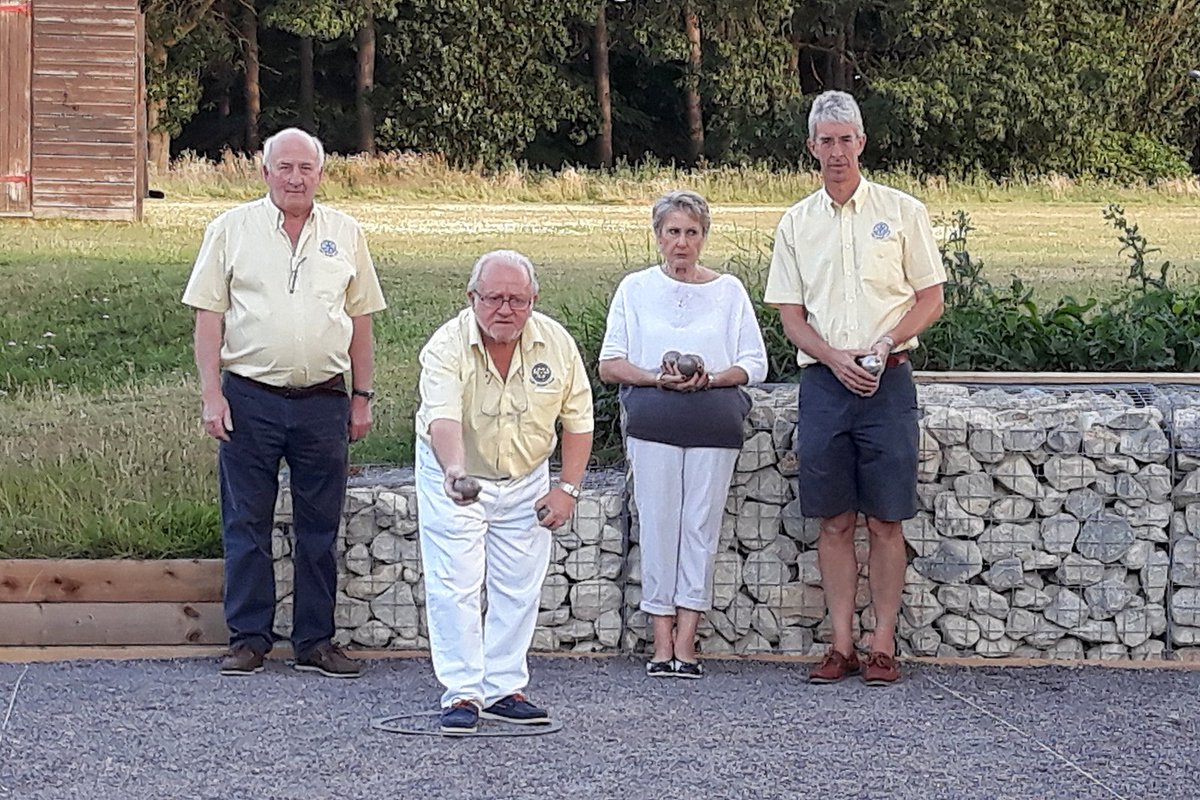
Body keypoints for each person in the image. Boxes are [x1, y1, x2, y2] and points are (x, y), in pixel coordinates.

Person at [183, 128, 386, 678]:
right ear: (264, 170)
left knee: (319, 529)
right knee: (245, 522)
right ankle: (249, 639)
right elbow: (208, 316)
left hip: (324, 401)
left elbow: (361, 320)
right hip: (249, 397)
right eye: (285, 167)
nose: (296, 178)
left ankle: (315, 643)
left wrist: (361, 397)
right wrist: (211, 395)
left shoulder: (345, 232)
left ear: (321, 174)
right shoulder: (230, 229)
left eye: (306, 168)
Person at [764, 91, 946, 686]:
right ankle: (840, 644)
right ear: (810, 147)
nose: (836, 151)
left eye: (846, 139)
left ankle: (883, 643)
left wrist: (888, 341)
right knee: (835, 520)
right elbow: (791, 317)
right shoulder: (796, 222)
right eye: (826, 140)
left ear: (861, 143)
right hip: (824, 383)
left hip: (888, 382)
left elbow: (931, 299)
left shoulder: (902, 211)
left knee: (887, 520)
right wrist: (835, 358)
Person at [415, 249, 594, 734]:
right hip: (455, 471)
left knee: (519, 584)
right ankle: (462, 693)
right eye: (494, 297)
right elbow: (442, 418)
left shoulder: (556, 344)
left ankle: (503, 688)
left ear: (534, 299)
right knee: (456, 583)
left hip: (526, 473)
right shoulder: (446, 345)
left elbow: (578, 421)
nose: (505, 309)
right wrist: (453, 471)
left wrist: (568, 490)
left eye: (517, 299)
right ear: (471, 298)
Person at [599, 190, 768, 679]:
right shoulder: (634, 289)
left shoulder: (729, 291)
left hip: (711, 420)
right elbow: (611, 364)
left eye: (691, 232)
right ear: (658, 237)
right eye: (672, 232)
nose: (681, 243)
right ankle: (661, 639)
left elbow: (754, 363)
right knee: (658, 524)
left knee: (699, 526)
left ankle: (688, 641)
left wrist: (711, 377)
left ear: (703, 237)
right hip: (654, 419)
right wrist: (656, 377)